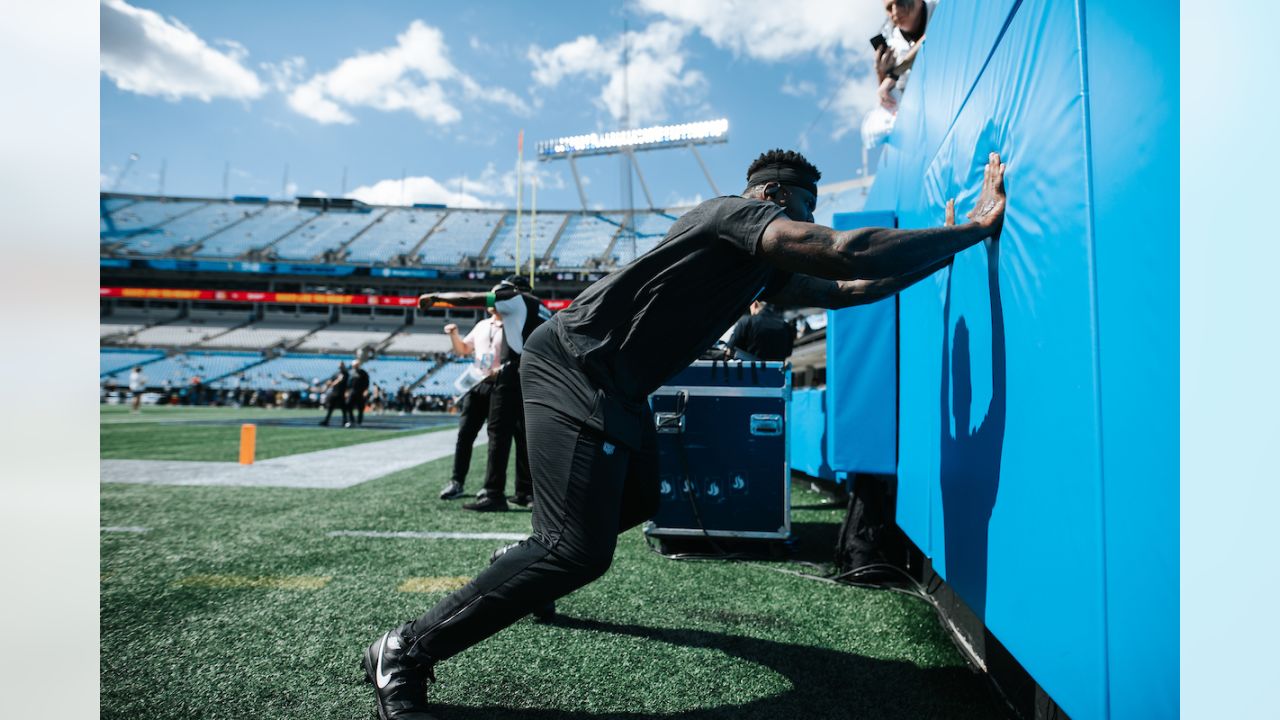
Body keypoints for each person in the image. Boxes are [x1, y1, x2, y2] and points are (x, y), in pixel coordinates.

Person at [363, 148, 1008, 718]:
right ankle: (405, 649)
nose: (808, 225)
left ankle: (525, 562)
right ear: (772, 198)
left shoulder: (762, 268)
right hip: (573, 365)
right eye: (804, 211)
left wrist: (952, 242)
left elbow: (855, 285)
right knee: (577, 553)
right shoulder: (731, 214)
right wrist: (968, 228)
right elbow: (842, 251)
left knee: (642, 500)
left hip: (617, 384)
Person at [420, 276, 549, 512]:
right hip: (533, 373)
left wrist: (437, 297)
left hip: (511, 373)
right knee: (522, 437)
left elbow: (469, 298)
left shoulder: (515, 299)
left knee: (499, 435)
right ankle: (525, 492)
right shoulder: (541, 308)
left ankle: (494, 494)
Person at [437, 309, 503, 501]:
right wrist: (454, 335)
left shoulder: (511, 326)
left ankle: (490, 487)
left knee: (496, 439)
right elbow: (464, 349)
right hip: (477, 383)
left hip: (499, 384)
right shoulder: (482, 325)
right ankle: (457, 481)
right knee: (465, 434)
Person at [862, 0, 937, 151]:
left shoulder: (939, 7)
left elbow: (938, 29)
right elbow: (890, 99)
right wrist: (882, 72)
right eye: (889, 8)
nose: (895, 12)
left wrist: (895, 73)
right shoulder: (893, 43)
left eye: (900, 2)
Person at [728, 300, 796, 361]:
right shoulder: (785, 326)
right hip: (777, 373)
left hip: (751, 372)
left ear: (755, 304)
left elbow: (730, 350)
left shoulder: (747, 321)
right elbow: (788, 353)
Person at [319, 361, 349, 426]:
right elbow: (330, 380)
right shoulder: (336, 373)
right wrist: (327, 385)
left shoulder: (345, 374)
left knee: (343, 408)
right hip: (334, 393)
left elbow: (340, 381)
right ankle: (326, 420)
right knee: (330, 407)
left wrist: (332, 383)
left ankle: (345, 421)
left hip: (341, 393)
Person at [346, 358, 370, 428]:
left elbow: (367, 382)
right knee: (348, 406)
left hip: (360, 392)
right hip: (352, 392)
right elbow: (349, 383)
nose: (355, 366)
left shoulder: (363, 372)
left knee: (360, 408)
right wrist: (347, 391)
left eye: (356, 365)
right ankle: (351, 420)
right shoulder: (351, 372)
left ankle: (359, 422)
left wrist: (366, 390)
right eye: (354, 365)